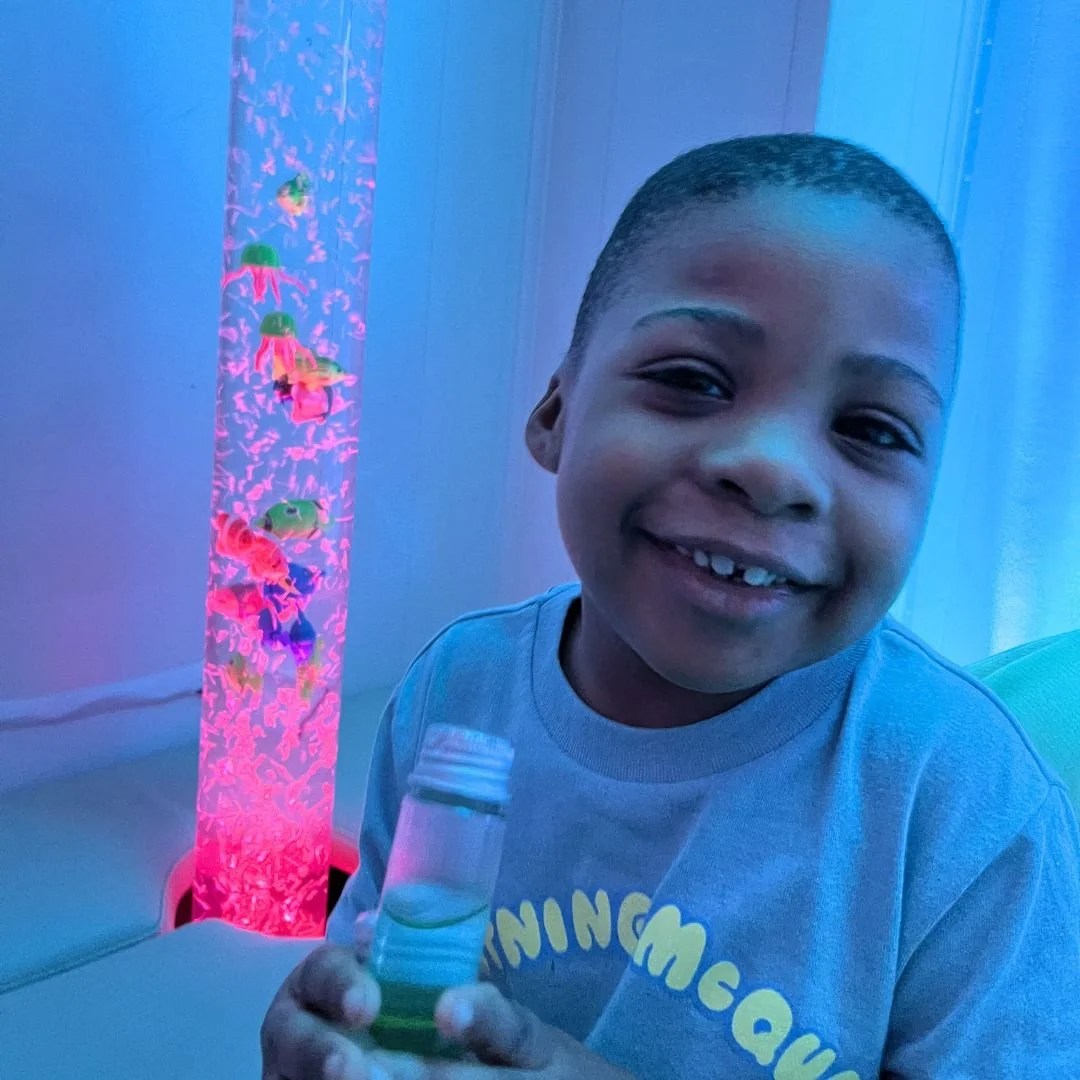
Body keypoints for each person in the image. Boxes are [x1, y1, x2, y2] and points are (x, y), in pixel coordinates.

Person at [260, 134, 1080, 1080]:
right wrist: (332, 1035)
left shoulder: (969, 812)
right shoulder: (457, 694)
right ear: (556, 412)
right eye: (693, 380)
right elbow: (383, 991)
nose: (772, 469)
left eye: (870, 429)